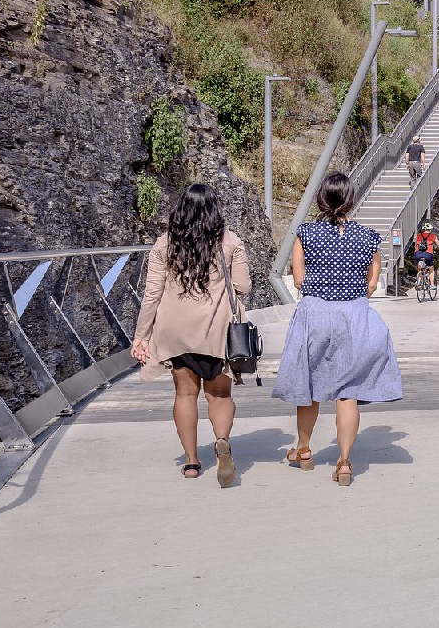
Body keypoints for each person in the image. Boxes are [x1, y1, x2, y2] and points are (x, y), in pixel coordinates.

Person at [273, 172, 403, 487]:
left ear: (321, 198)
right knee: (348, 395)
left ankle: (304, 450)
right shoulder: (368, 237)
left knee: (310, 386)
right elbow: (372, 283)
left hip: (315, 313)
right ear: (350, 200)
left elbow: (300, 280)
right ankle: (344, 463)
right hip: (355, 315)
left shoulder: (306, 233)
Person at [130, 184, 250, 487]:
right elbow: (244, 287)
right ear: (214, 210)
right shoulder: (230, 241)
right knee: (219, 395)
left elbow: (152, 293)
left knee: (185, 394)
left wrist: (141, 336)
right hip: (215, 331)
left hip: (175, 331)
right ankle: (221, 441)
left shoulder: (163, 245)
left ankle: (192, 462)